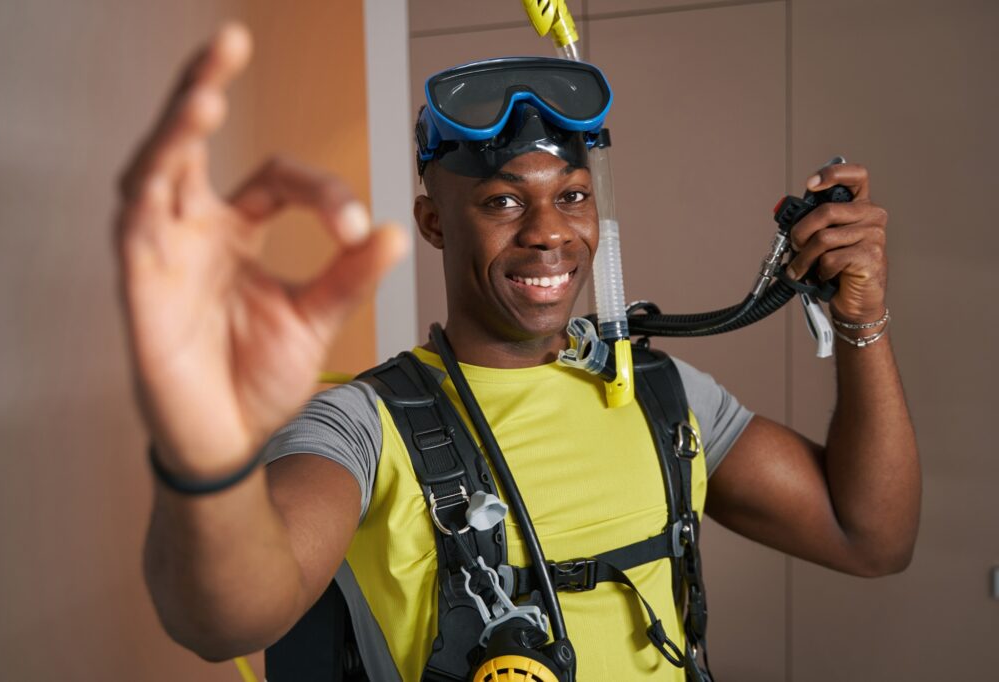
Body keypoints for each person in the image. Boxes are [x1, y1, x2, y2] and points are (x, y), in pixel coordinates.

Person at [117, 24, 920, 681]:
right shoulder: (363, 429)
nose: (548, 233)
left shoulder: (663, 396)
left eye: (571, 196)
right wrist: (200, 444)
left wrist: (863, 321)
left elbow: (870, 537)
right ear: (436, 223)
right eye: (503, 201)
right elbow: (224, 619)